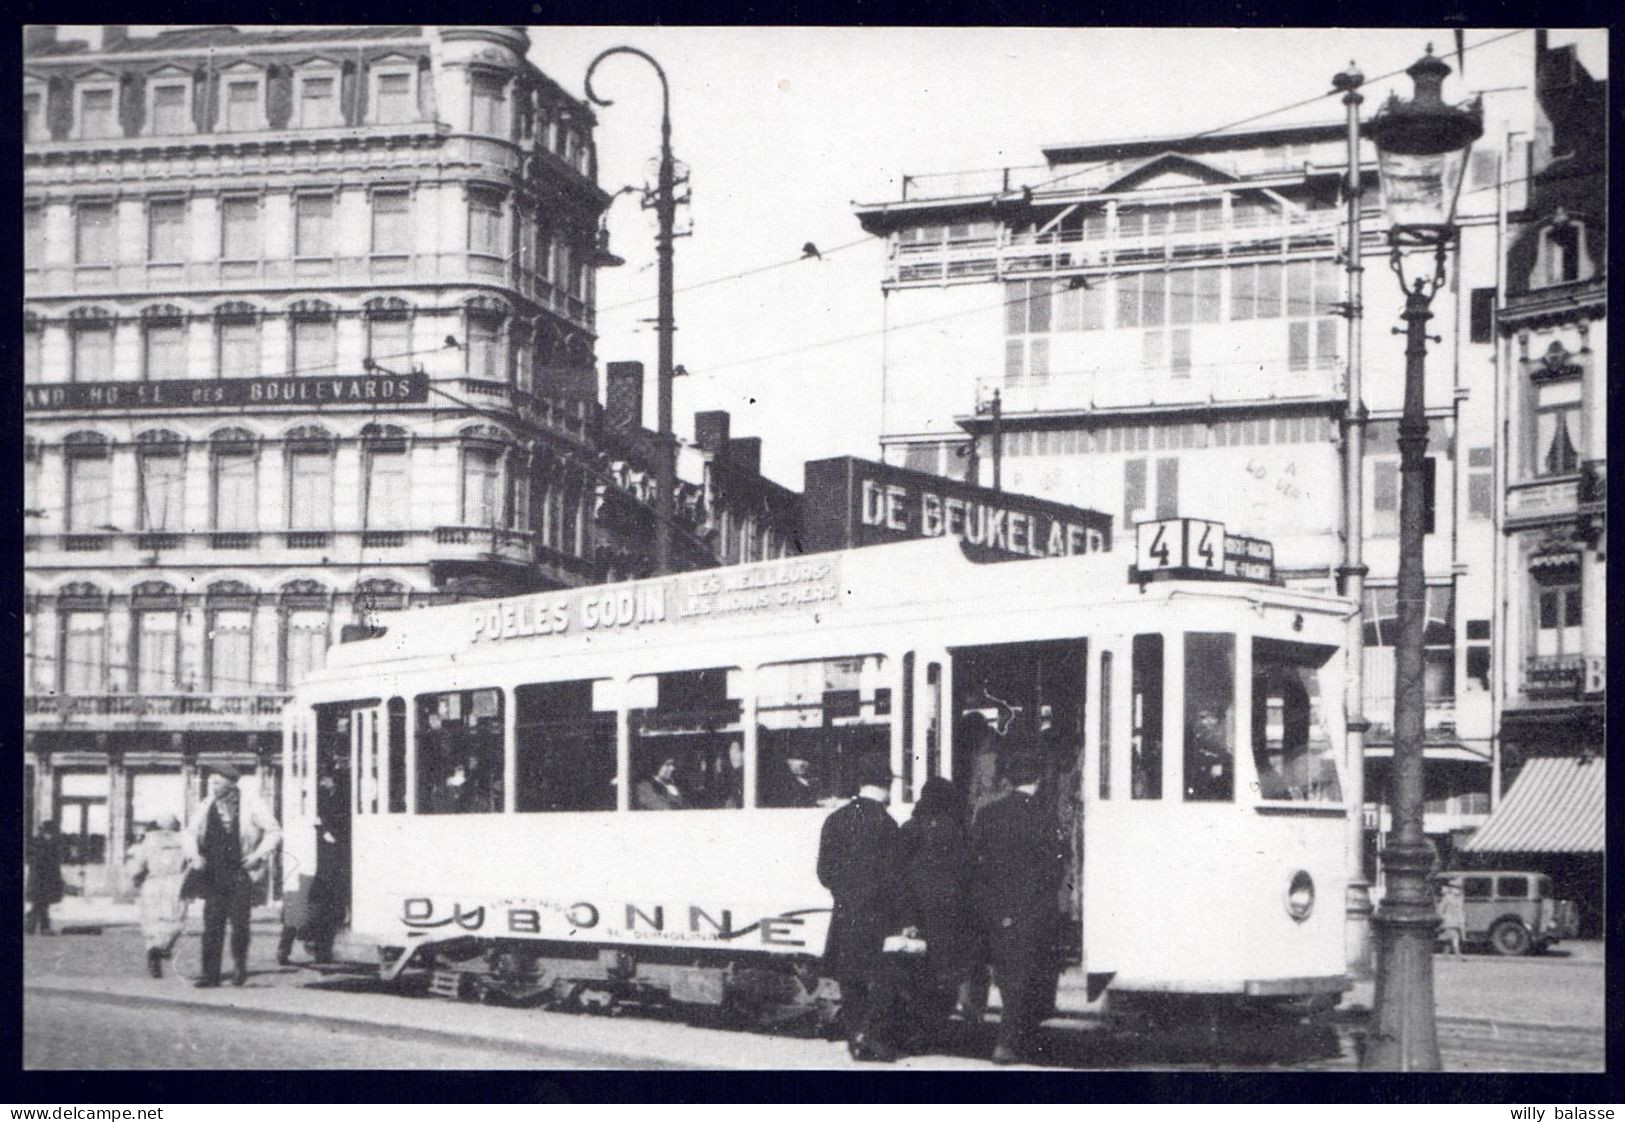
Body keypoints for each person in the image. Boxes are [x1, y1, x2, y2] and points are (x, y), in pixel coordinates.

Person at [971, 750, 1067, 1065]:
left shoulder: (987, 813)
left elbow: (976, 864)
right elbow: (1055, 869)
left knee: (1008, 975)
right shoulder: (1045, 815)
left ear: (1009, 779)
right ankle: (1009, 1041)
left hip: (995, 908)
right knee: (1025, 977)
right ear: (1039, 779)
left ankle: (1008, 1038)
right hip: (1032, 909)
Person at [816, 753, 903, 1062]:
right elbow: (895, 878)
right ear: (885, 785)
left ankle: (856, 1037)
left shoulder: (835, 820)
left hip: (845, 914)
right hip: (879, 917)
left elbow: (824, 872)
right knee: (880, 980)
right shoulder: (887, 824)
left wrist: (846, 893)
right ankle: (873, 1037)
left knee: (850, 979)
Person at [895, 776, 979, 1046]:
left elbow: (899, 877)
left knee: (919, 978)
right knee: (946, 977)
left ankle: (918, 1034)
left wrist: (906, 917)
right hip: (952, 917)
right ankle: (937, 1030)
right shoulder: (959, 832)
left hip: (919, 916)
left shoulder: (909, 829)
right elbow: (969, 876)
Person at [184, 763, 282, 988]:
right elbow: (189, 832)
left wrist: (258, 855)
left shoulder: (252, 804)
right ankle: (211, 975)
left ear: (230, 783)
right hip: (213, 873)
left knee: (240, 924)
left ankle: (239, 968)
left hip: (240, 872)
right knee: (212, 924)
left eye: (217, 783)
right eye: (212, 782)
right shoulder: (206, 804)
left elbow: (274, 831)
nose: (213, 786)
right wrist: (194, 856)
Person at [125, 815, 190, 978]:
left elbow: (138, 864)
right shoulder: (184, 841)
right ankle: (163, 947)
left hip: (154, 883)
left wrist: (136, 877)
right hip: (175, 883)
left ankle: (154, 950)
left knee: (152, 922)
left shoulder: (149, 841)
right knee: (176, 920)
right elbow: (192, 860)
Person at [25, 821, 66, 936]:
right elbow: (40, 862)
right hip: (40, 879)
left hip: (45, 879)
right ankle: (36, 927)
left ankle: (37, 927)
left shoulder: (48, 842)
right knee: (39, 903)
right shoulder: (40, 843)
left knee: (42, 904)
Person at [1185, 702, 1232, 800]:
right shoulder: (1194, 736)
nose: (1209, 721)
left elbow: (1224, 754)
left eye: (1213, 718)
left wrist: (1219, 762)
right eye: (1203, 718)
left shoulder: (1219, 737)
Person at [1437, 881, 1467, 960]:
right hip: (1449, 921)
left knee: (1449, 939)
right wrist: (1444, 917)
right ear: (1451, 889)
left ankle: (1445, 956)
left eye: (1459, 888)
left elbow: (1460, 910)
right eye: (1455, 888)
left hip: (1457, 922)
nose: (1458, 890)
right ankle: (1458, 955)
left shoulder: (1459, 899)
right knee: (1455, 937)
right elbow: (1440, 909)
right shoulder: (1447, 898)